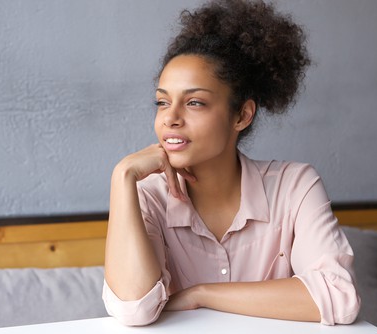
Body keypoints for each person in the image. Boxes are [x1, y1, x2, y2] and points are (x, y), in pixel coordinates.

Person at [102, 0, 360, 327]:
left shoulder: (295, 186)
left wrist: (203, 294)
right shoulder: (147, 196)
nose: (170, 118)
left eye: (194, 102)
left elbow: (339, 296)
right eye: (162, 102)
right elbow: (132, 310)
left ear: (242, 115)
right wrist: (122, 176)